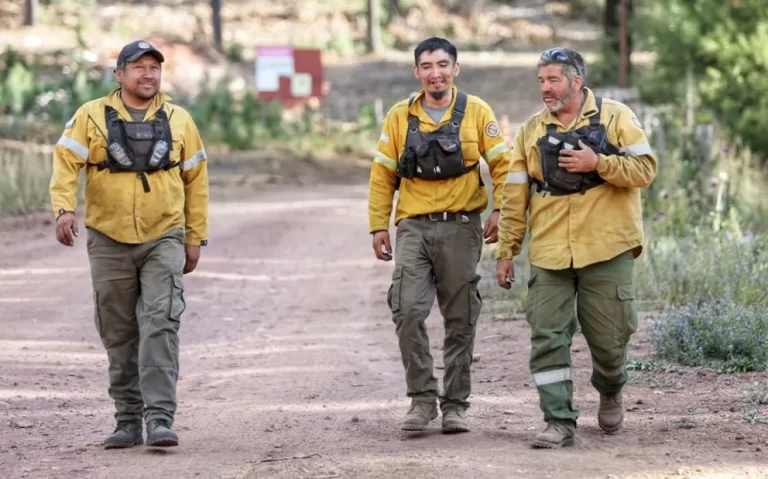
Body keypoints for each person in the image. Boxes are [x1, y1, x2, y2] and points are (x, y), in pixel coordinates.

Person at [49, 40, 209, 449]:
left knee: (160, 322)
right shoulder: (90, 117)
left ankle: (159, 419)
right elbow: (66, 163)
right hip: (108, 236)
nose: (148, 74)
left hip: (165, 234)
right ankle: (127, 420)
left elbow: (197, 181)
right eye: (138, 67)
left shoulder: (179, 119)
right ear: (119, 74)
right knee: (118, 331)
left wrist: (195, 236)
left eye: (154, 67)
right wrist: (63, 208)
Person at [495, 47, 657, 448]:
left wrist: (597, 163)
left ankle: (610, 387)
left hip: (607, 247)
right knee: (547, 334)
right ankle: (558, 420)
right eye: (541, 81)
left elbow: (646, 170)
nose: (545, 88)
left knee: (610, 338)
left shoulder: (616, 116)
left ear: (576, 81)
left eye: (553, 80)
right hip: (550, 251)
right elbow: (515, 195)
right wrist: (506, 250)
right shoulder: (532, 129)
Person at [367, 37, 513, 433]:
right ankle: (421, 400)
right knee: (408, 308)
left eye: (442, 65)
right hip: (413, 225)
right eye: (427, 66)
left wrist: (501, 209)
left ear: (456, 69)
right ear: (417, 73)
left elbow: (503, 167)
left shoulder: (476, 111)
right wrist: (379, 224)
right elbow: (382, 176)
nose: (436, 73)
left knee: (461, 316)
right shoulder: (400, 116)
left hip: (462, 227)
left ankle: (455, 405)